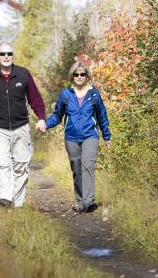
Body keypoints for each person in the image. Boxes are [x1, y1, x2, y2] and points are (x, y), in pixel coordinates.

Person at [0, 43, 47, 208]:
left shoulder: (23, 74)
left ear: (13, 55)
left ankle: (18, 203)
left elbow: (35, 99)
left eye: (9, 53)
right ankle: (5, 199)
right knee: (2, 163)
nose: (6, 56)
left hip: (21, 127)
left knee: (21, 165)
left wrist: (41, 118)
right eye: (2, 54)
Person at [45, 61, 111, 213]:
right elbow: (57, 115)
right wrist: (46, 125)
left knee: (88, 165)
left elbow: (102, 116)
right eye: (76, 74)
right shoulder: (66, 94)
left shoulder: (94, 94)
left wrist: (106, 135)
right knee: (76, 169)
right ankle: (80, 201)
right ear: (72, 76)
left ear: (87, 76)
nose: (79, 77)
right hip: (71, 137)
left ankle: (89, 201)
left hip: (90, 136)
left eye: (82, 74)